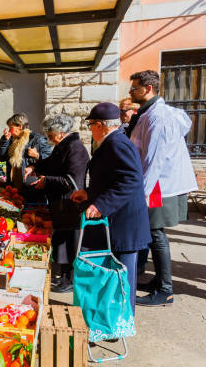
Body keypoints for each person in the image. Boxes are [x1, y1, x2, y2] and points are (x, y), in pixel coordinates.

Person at [71, 102, 151, 315]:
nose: (90, 130)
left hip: (125, 223)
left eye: (91, 125)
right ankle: (114, 319)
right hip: (120, 221)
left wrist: (101, 204)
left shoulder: (117, 143)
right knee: (117, 274)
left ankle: (121, 322)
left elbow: (131, 180)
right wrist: (89, 193)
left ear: (101, 125)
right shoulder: (111, 142)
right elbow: (112, 178)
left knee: (122, 276)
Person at [127, 70, 197, 306]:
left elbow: (154, 158)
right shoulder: (151, 113)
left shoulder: (158, 116)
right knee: (154, 234)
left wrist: (142, 193)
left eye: (134, 88)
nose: (131, 92)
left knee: (156, 234)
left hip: (159, 184)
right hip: (159, 182)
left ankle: (165, 289)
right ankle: (159, 281)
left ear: (148, 89)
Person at [26, 114, 89, 293]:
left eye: (50, 134)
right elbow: (51, 163)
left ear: (61, 133)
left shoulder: (75, 148)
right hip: (61, 204)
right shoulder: (63, 146)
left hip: (71, 203)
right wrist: (35, 167)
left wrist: (46, 181)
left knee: (71, 242)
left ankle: (70, 280)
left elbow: (71, 181)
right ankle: (65, 277)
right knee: (63, 240)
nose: (48, 138)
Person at [0, 113, 51, 201]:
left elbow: (49, 160)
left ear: (20, 126)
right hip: (14, 186)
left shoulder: (37, 139)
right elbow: (0, 157)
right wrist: (5, 140)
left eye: (11, 128)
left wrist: (37, 156)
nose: (9, 131)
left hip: (31, 186)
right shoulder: (11, 139)